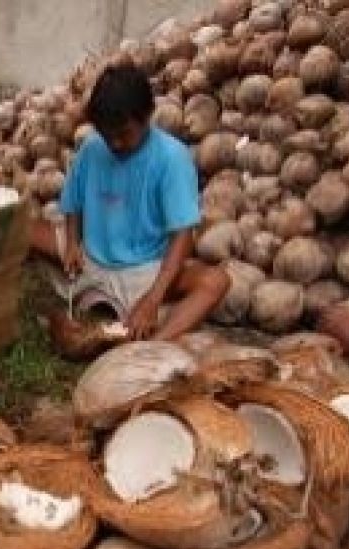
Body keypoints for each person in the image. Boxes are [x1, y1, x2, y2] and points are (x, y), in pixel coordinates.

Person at [30, 63, 228, 343]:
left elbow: (183, 237)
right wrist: (73, 242)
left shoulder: (172, 158)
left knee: (216, 281)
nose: (115, 143)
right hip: (89, 260)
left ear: (147, 116)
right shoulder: (91, 148)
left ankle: (150, 344)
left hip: (143, 272)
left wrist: (152, 299)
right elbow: (73, 204)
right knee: (21, 230)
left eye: (123, 133)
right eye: (107, 133)